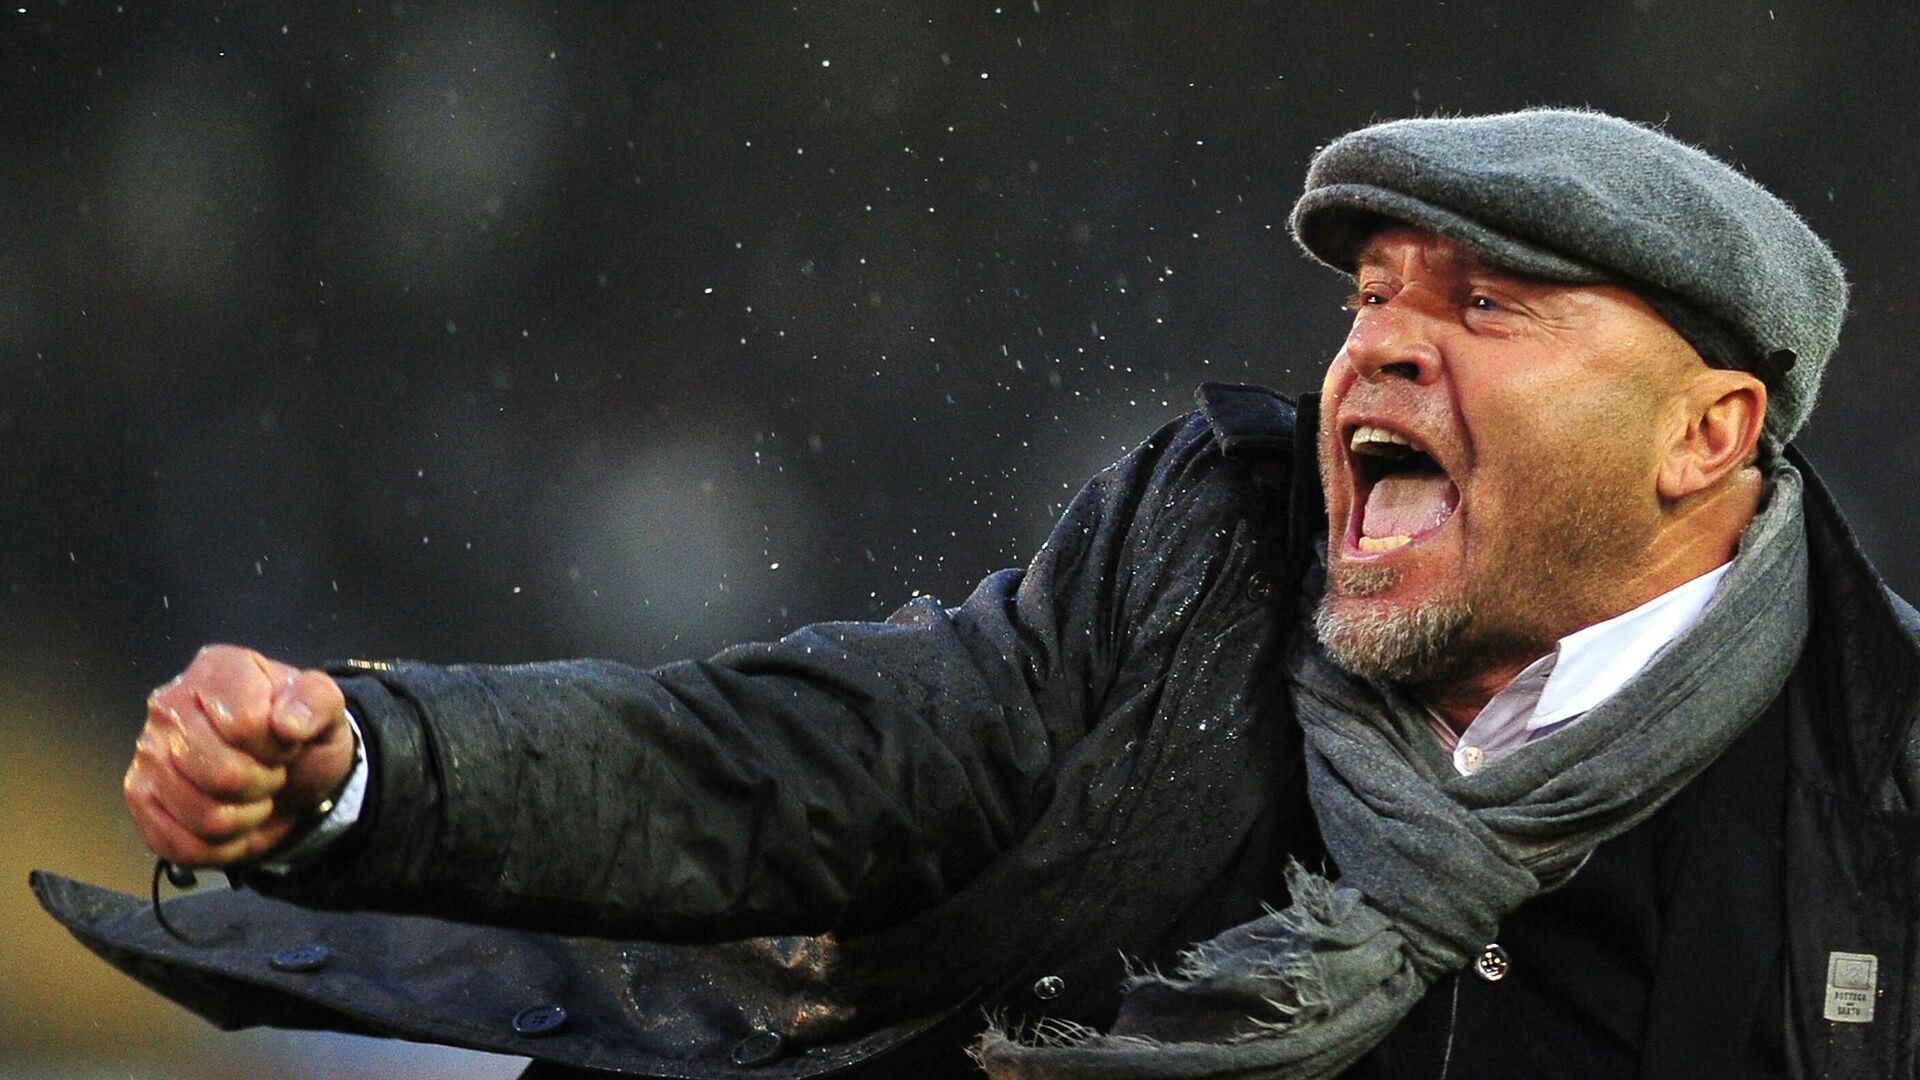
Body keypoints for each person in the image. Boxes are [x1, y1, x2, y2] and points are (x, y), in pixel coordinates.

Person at [36, 108, 1920, 1080]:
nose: (1379, 355)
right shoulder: (1196, 580)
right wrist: (378, 759)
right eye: (1371, 299)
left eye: (1483, 304)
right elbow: (794, 762)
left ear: (1709, 433)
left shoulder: (1882, 787)